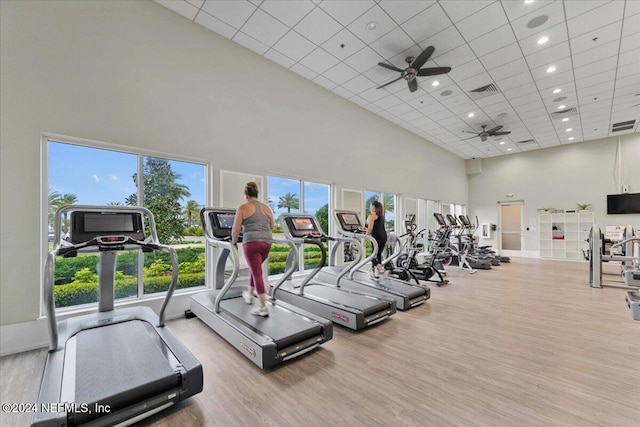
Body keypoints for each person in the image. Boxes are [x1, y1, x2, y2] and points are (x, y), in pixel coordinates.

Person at [231, 182, 275, 316]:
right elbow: (272, 225)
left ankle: (263, 307)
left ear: (246, 195)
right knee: (255, 269)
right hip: (267, 242)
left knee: (257, 273)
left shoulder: (243, 207)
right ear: (256, 194)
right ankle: (249, 294)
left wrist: (233, 243)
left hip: (252, 243)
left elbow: (236, 229)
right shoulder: (266, 207)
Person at [366, 200, 387, 279]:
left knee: (372, 256)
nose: (370, 207)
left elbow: (370, 228)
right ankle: (376, 274)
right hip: (383, 237)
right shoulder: (381, 216)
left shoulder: (372, 215)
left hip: (376, 237)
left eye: (371, 206)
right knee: (378, 255)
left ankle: (381, 269)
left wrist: (364, 238)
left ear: (374, 207)